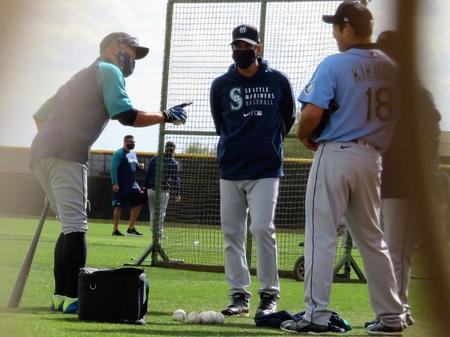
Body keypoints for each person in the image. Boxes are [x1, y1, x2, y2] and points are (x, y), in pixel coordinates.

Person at [30, 32, 189, 314]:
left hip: (41, 153)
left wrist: (51, 154)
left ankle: (60, 297)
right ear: (115, 48)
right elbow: (126, 114)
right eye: (132, 51)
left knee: (68, 226)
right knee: (76, 227)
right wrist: (166, 115)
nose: (134, 59)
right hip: (66, 153)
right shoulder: (109, 70)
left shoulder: (79, 76)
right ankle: (72, 298)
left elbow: (40, 116)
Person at [279, 2, 406, 335]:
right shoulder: (393, 68)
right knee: (373, 240)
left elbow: (311, 114)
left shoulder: (335, 63)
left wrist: (306, 136)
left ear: (347, 27)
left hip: (336, 153)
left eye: (336, 26)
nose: (334, 32)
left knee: (321, 236)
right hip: (372, 158)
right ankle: (392, 317)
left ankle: (315, 315)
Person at [210, 24, 296, 318]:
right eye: (236, 46)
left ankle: (269, 294)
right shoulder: (221, 84)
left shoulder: (278, 81)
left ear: (258, 49)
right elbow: (221, 124)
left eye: (247, 47)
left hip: (266, 168)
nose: (241, 51)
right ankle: (239, 295)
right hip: (231, 168)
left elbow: (288, 117)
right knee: (232, 234)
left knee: (262, 228)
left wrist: (266, 143)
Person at [364, 30, 441, 328]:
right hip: (383, 181)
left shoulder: (413, 91)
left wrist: (428, 164)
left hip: (406, 184)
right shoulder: (387, 89)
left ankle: (399, 310)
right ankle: (397, 309)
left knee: (396, 251)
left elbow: (433, 122)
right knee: (388, 250)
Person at [111, 135, 146, 236]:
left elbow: (134, 166)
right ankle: (115, 230)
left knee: (139, 202)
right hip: (121, 184)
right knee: (119, 206)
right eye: (130, 141)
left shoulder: (132, 154)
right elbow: (113, 169)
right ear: (125, 142)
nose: (132, 143)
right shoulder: (119, 153)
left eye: (133, 141)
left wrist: (139, 166)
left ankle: (131, 228)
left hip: (132, 184)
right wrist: (115, 183)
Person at [145, 141, 181, 238]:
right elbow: (175, 180)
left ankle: (154, 230)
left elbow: (148, 173)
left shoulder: (155, 158)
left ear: (165, 148)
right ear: (173, 150)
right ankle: (158, 233)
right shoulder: (173, 162)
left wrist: (145, 187)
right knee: (161, 211)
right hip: (163, 190)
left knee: (153, 210)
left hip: (151, 189)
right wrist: (177, 193)